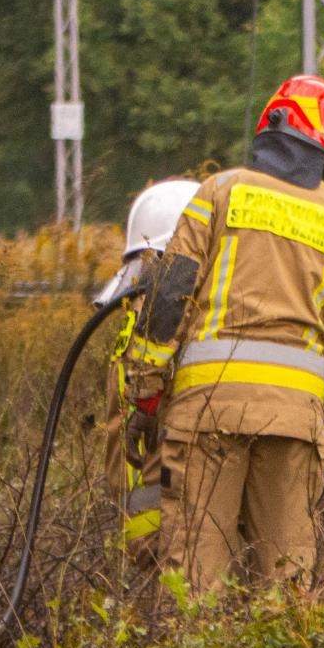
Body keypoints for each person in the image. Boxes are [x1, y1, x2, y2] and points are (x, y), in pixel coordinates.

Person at [123, 74, 324, 589]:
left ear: (276, 128)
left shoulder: (219, 191)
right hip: (294, 427)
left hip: (209, 412)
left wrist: (144, 392)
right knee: (286, 585)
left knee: (195, 582)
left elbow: (169, 298)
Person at [95, 178, 201, 555]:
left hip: (168, 499)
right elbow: (123, 414)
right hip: (161, 503)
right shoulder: (150, 315)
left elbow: (120, 416)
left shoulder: (160, 316)